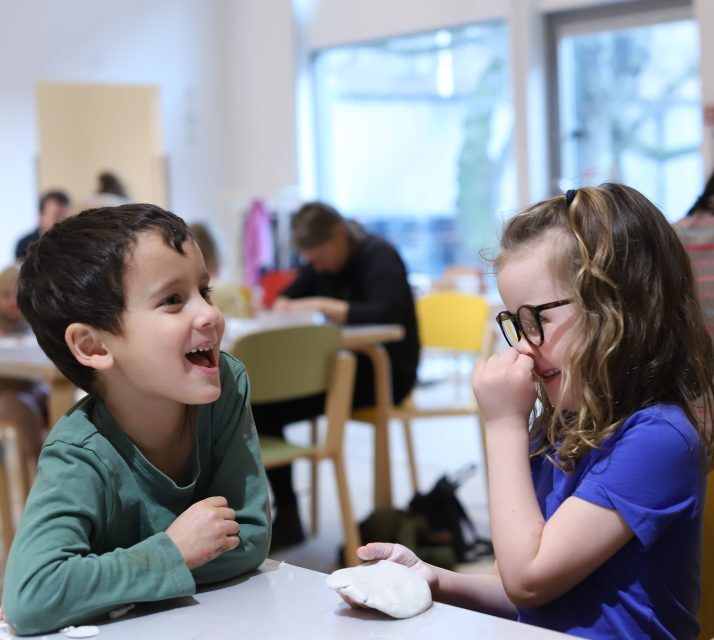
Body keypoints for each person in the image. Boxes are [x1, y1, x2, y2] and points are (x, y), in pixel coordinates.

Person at [351, 184, 714, 639]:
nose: (524, 345)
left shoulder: (659, 438)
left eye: (536, 319)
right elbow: (514, 587)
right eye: (515, 323)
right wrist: (435, 579)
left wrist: (503, 426)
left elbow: (530, 580)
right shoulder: (560, 429)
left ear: (617, 307)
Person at [2, 204, 271, 636]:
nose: (209, 315)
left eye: (205, 291)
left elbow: (251, 537)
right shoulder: (78, 453)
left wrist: (98, 586)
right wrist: (175, 552)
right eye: (172, 300)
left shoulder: (226, 387)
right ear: (92, 345)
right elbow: (31, 596)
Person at [258, 201, 420, 549]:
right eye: (311, 260)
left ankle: (287, 516)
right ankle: (287, 513)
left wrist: (318, 305)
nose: (315, 266)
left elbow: (386, 312)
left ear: (339, 234)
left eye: (319, 257)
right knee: (258, 404)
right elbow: (286, 297)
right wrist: (290, 301)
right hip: (341, 372)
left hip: (387, 374)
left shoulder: (379, 254)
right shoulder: (323, 266)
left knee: (264, 407)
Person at [0, 264, 47, 481]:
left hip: (34, 385)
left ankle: (60, 455)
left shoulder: (29, 322)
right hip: (6, 393)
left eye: (18, 296)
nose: (12, 302)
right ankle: (37, 465)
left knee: (53, 401)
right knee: (23, 407)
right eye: (5, 295)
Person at [15, 189, 71, 260]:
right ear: (41, 215)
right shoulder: (24, 245)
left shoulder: (73, 242)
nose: (61, 220)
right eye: (56, 215)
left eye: (65, 216)